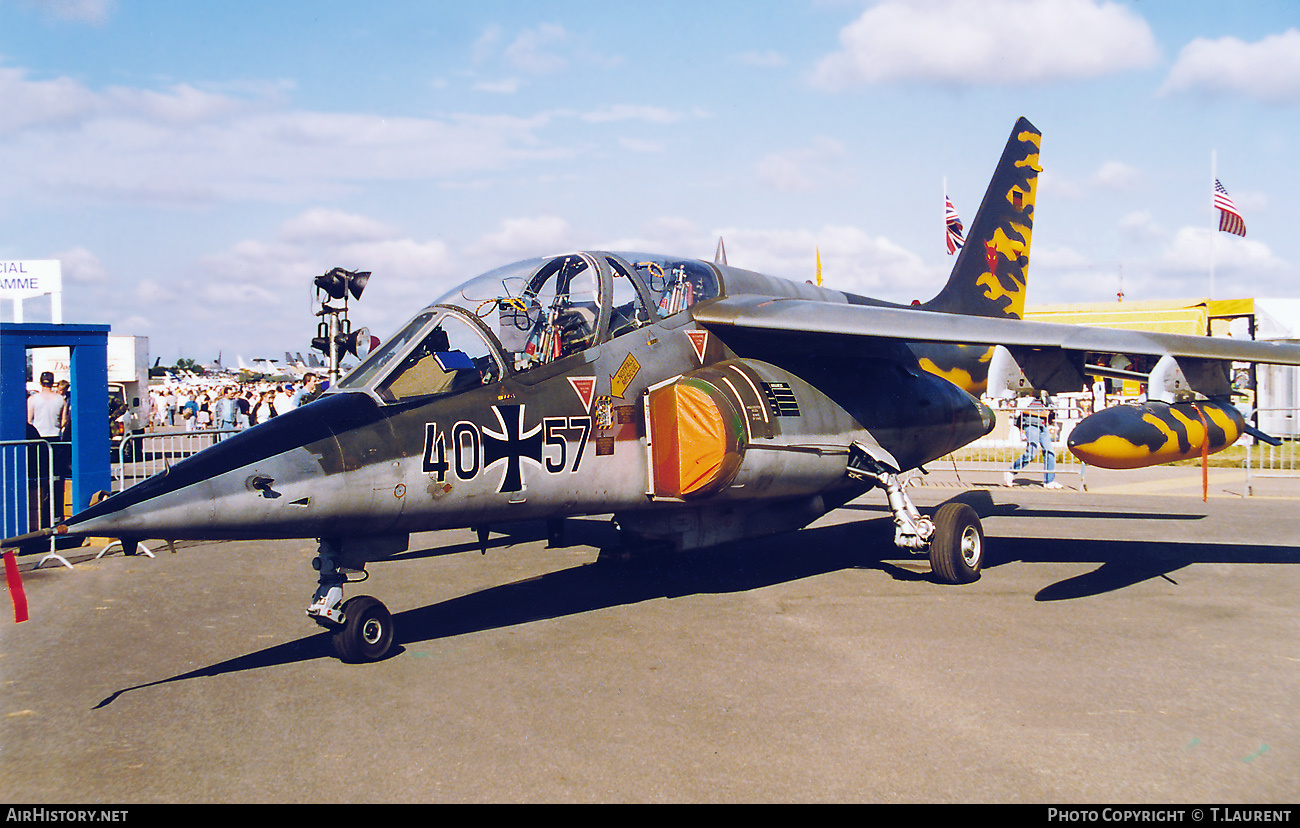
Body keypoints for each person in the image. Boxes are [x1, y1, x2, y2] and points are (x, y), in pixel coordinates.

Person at [1006, 394, 1062, 488]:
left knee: (1050, 453)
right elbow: (1021, 410)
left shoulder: (1045, 396)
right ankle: (1012, 471)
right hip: (1031, 424)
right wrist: (1040, 413)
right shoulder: (1026, 397)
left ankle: (1049, 481)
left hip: (1043, 425)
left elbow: (1050, 410)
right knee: (1031, 453)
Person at [27, 371, 67, 439]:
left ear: (40, 383)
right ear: (52, 383)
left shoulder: (32, 399)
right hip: (55, 435)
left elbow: (29, 420)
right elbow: (64, 421)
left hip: (38, 435)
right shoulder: (61, 399)